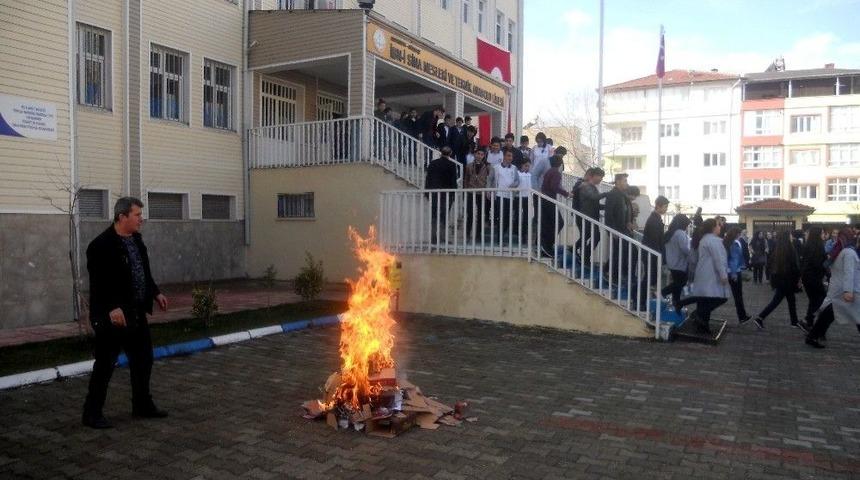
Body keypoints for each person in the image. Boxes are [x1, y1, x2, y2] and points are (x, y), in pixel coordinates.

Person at [82, 197, 169, 429]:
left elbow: (143, 272)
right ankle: (92, 413)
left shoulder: (137, 241)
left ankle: (142, 405)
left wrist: (155, 293)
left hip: (136, 312)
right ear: (122, 217)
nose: (142, 219)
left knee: (143, 360)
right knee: (105, 364)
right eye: (137, 215)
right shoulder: (100, 245)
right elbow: (99, 283)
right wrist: (111, 308)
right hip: (112, 316)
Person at [805, 228, 860, 348]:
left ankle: (813, 336)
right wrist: (848, 291)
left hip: (841, 290)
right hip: (847, 291)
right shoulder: (849, 253)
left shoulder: (840, 251)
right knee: (854, 315)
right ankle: (812, 336)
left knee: (828, 315)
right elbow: (849, 273)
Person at [677, 219, 729, 334]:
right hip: (711, 275)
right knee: (720, 298)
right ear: (713, 228)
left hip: (704, 274)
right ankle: (698, 316)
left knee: (704, 300)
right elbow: (718, 259)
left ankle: (702, 325)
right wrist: (723, 274)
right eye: (718, 225)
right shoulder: (714, 241)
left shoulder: (705, 239)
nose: (720, 227)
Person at [749, 231, 802, 329]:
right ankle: (760, 318)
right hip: (788, 280)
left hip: (781, 280)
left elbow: (771, 265)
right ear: (787, 237)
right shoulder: (790, 249)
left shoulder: (778, 249)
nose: (791, 237)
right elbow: (795, 266)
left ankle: (794, 321)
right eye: (790, 235)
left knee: (786, 301)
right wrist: (799, 278)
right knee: (779, 301)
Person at [425, 146, 460, 244]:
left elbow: (428, 179)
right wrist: (453, 194)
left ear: (440, 153)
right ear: (450, 154)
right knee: (444, 217)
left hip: (434, 193)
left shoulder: (432, 163)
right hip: (446, 194)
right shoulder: (452, 165)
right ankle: (442, 237)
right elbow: (453, 181)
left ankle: (433, 238)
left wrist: (427, 193)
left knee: (434, 216)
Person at [604, 173, 635, 283]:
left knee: (623, 252)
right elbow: (609, 214)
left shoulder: (622, 195)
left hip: (623, 229)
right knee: (619, 253)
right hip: (616, 229)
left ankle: (612, 273)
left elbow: (625, 211)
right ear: (618, 181)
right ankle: (613, 276)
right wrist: (612, 230)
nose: (626, 183)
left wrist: (628, 222)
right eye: (624, 181)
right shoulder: (613, 194)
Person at [574, 167, 607, 264]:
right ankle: (583, 256)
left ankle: (581, 253)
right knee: (590, 236)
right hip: (586, 217)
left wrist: (606, 206)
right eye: (600, 176)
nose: (601, 179)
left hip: (592, 217)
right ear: (594, 176)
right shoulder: (586, 186)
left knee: (591, 236)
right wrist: (607, 194)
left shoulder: (593, 188)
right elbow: (594, 198)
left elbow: (595, 204)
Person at [539, 155, 570, 257]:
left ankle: (545, 245)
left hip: (545, 199)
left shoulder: (549, 171)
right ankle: (547, 244)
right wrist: (566, 193)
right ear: (561, 164)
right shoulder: (556, 173)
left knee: (549, 224)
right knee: (559, 223)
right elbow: (554, 186)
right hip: (549, 200)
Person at [661, 214, 692, 312]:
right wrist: (692, 254)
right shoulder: (680, 233)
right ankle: (663, 292)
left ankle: (677, 304)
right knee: (681, 283)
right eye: (687, 225)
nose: (687, 227)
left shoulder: (671, 232)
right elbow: (685, 249)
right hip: (679, 263)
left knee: (677, 284)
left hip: (672, 262)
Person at [488, 150, 520, 240]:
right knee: (501, 216)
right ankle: (499, 237)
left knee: (508, 217)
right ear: (504, 156)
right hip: (499, 195)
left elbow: (517, 180)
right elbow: (490, 179)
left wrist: (514, 185)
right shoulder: (496, 167)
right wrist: (488, 191)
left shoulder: (514, 168)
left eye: (511, 156)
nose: (510, 158)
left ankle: (502, 234)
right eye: (508, 156)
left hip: (510, 196)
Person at [801, 226, 828, 330]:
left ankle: (808, 322)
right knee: (820, 299)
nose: (824, 235)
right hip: (814, 278)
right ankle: (809, 321)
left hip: (807, 277)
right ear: (817, 234)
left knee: (814, 300)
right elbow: (818, 264)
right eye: (822, 233)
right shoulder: (818, 246)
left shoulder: (809, 245)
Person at [725, 227, 751, 324]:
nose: (740, 235)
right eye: (740, 233)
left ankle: (742, 316)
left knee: (737, 295)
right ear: (736, 234)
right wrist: (734, 273)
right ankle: (742, 316)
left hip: (728, 271)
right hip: (734, 272)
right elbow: (734, 260)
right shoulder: (735, 243)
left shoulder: (727, 242)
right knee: (738, 295)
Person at [464, 148, 490, 236]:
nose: (479, 156)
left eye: (482, 154)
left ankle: (478, 234)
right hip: (471, 192)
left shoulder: (487, 166)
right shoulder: (469, 166)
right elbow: (466, 179)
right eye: (478, 154)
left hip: (481, 192)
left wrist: (487, 191)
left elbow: (489, 180)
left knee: (480, 214)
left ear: (484, 156)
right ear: (475, 154)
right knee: (470, 214)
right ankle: (467, 233)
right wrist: (466, 190)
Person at [517, 160, 532, 237]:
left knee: (526, 216)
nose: (527, 167)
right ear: (522, 165)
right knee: (517, 215)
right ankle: (516, 231)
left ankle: (524, 233)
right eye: (525, 165)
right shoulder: (518, 174)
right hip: (518, 197)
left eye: (528, 166)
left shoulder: (530, 175)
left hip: (527, 197)